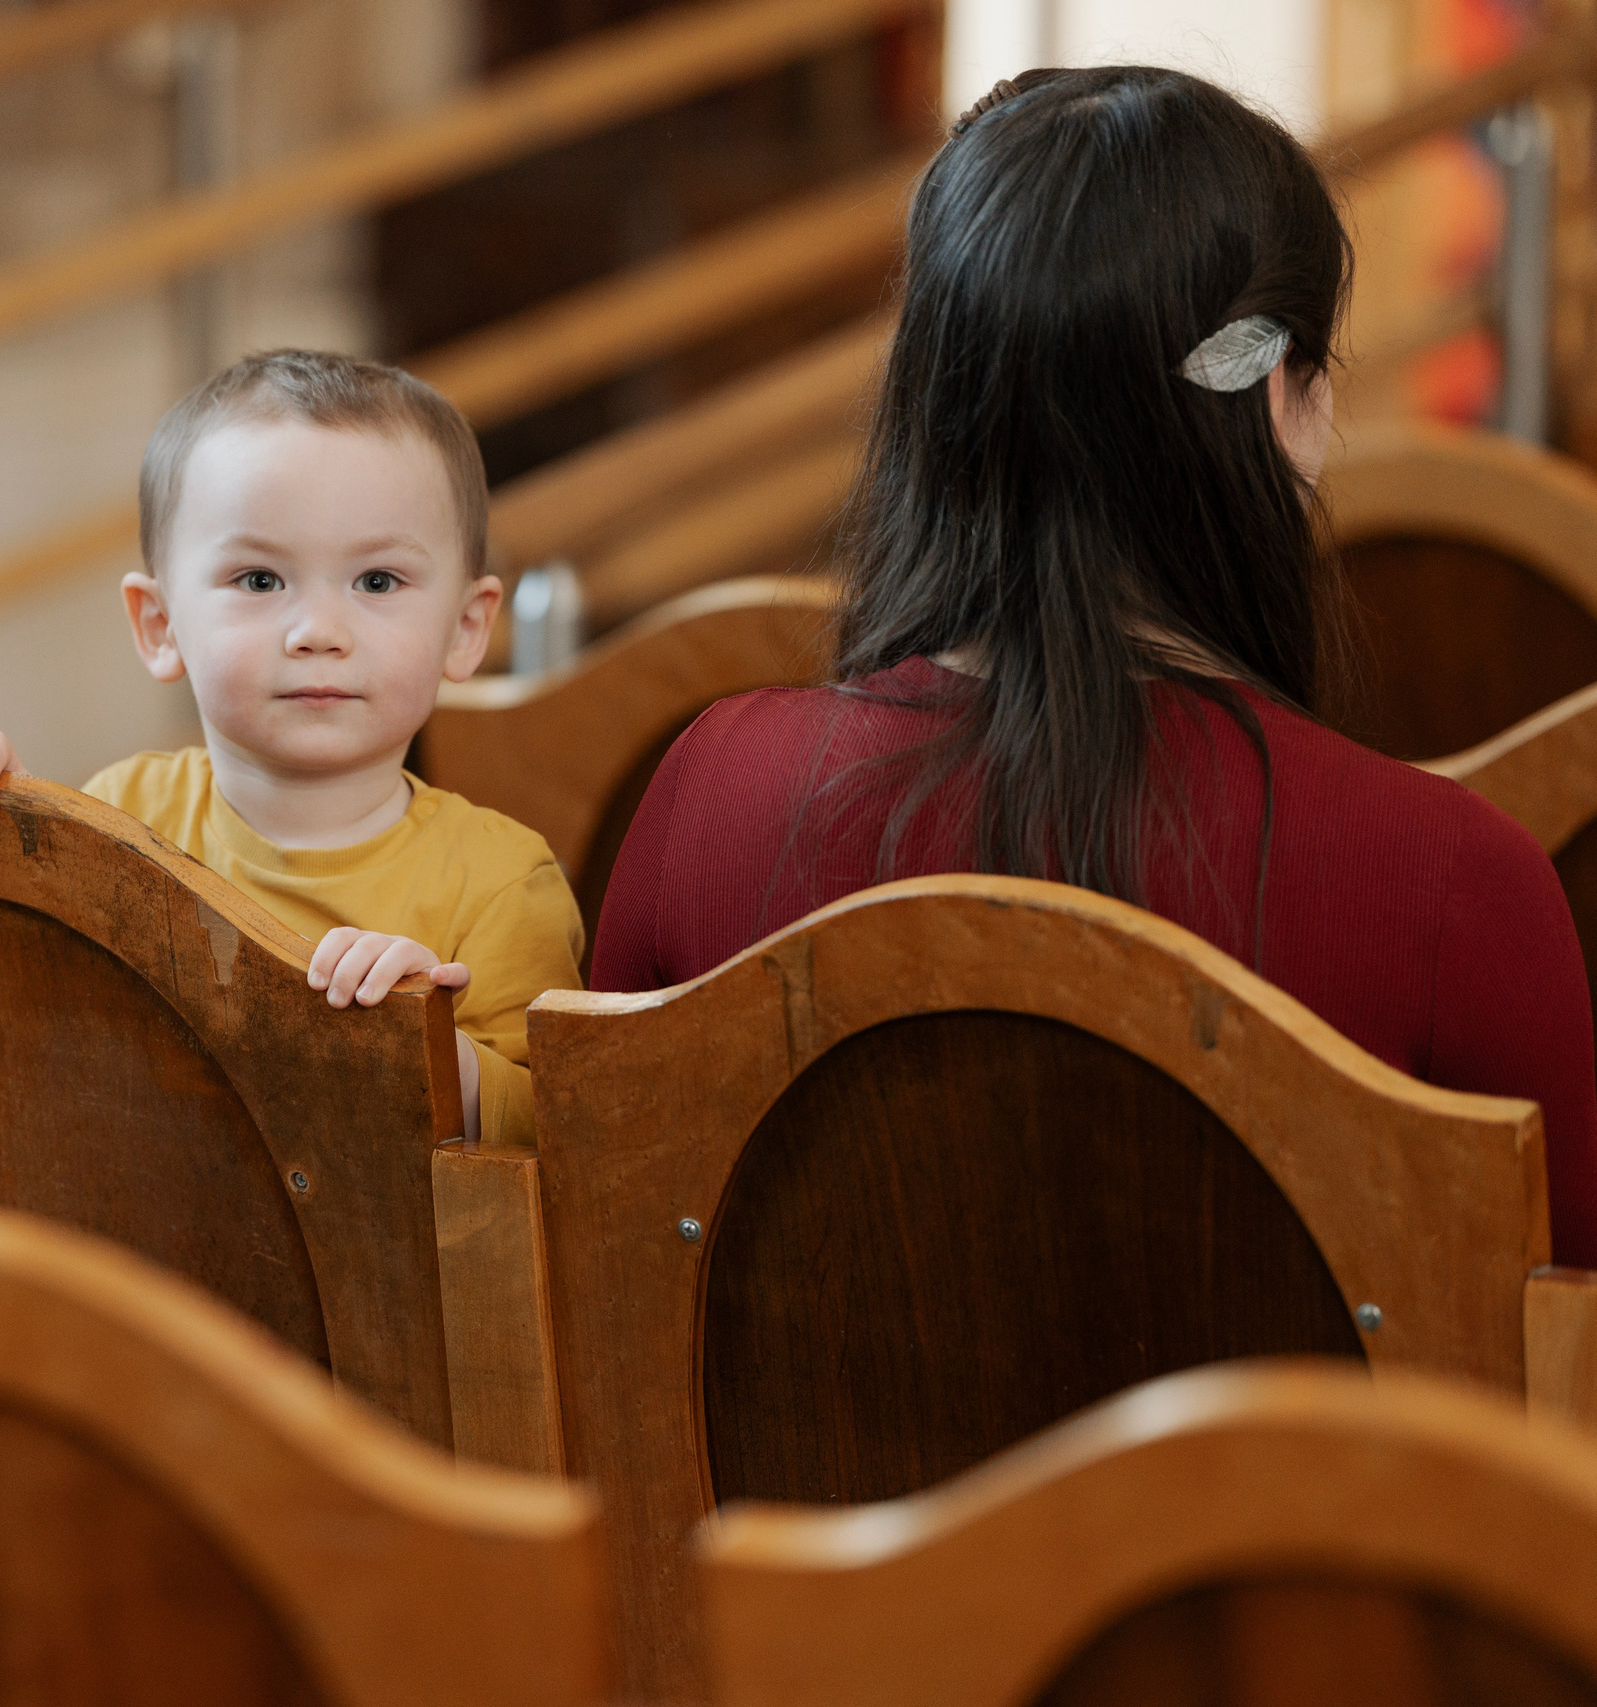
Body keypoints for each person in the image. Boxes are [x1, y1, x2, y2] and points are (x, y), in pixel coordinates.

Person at [591, 66, 1597, 1263]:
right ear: (1278, 397)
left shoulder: (705, 796)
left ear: (931, 404)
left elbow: (610, 1261)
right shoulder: (1454, 887)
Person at [0, 350, 585, 1146]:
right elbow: (5, 1014)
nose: (318, 630)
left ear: (466, 629)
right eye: (259, 581)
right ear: (160, 625)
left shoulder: (501, 884)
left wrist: (431, 1048)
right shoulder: (118, 818)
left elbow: (560, 1140)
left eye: (378, 581)